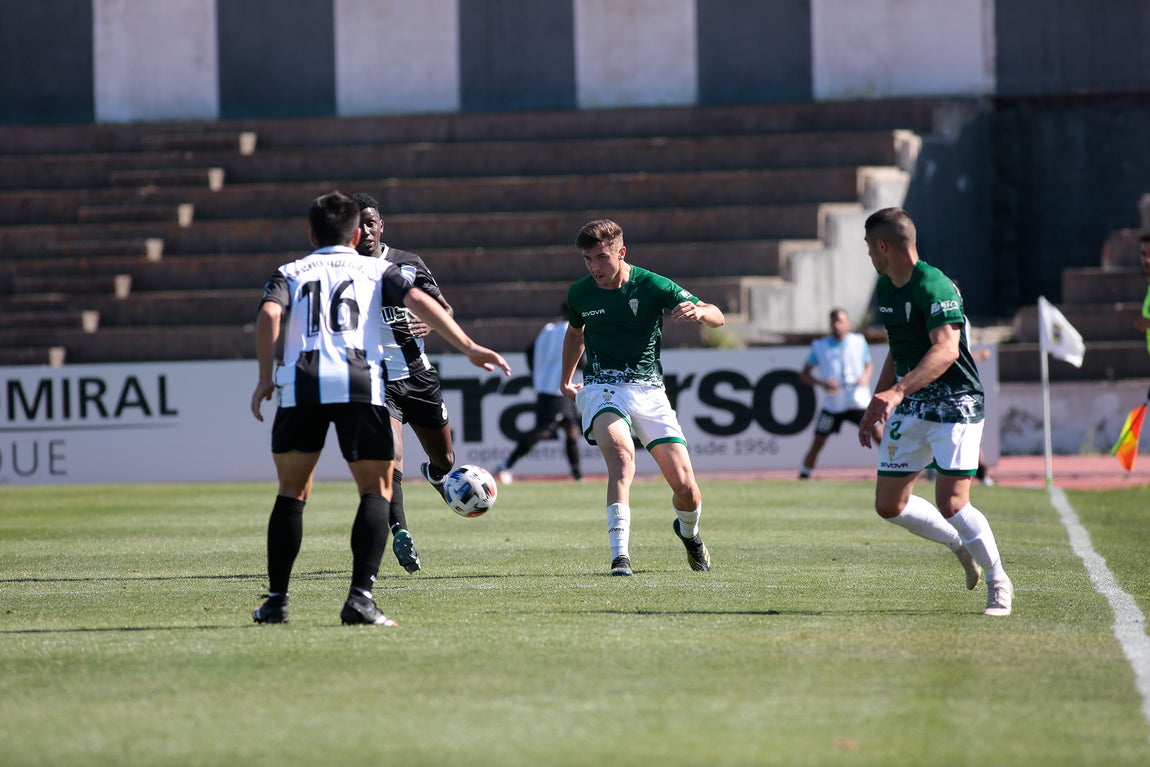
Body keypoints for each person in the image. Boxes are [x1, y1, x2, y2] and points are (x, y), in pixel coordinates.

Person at [249, 191, 510, 626]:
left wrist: (263, 377)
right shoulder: (375, 269)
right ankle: (360, 599)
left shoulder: (290, 271)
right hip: (358, 380)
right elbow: (423, 303)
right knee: (375, 489)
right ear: (355, 234)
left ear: (311, 233)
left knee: (292, 493)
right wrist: (468, 347)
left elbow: (269, 317)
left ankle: (277, 601)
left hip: (302, 383)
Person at [857, 207, 1013, 616]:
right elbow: (898, 347)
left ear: (884, 246)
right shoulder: (887, 287)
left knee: (953, 502)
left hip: (957, 404)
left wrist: (895, 393)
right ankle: (958, 544)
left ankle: (999, 581)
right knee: (889, 505)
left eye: (870, 247)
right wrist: (878, 399)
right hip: (912, 403)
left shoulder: (934, 285)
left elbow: (945, 349)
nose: (869, 256)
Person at [559, 219, 725, 577]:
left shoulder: (652, 285)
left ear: (621, 252)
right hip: (602, 386)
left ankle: (689, 532)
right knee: (621, 456)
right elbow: (576, 334)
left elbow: (718, 315)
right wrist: (565, 379)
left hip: (649, 390)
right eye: (588, 259)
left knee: (687, 490)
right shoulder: (580, 293)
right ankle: (621, 557)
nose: (594, 267)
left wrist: (699, 312)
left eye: (601, 257)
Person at [353, 192, 459, 574]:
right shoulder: (343, 270)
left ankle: (434, 476)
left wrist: (432, 321)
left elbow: (443, 308)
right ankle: (400, 531)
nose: (364, 230)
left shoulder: (408, 264)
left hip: (418, 374)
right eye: (356, 224)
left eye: (369, 222)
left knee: (445, 461)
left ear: (381, 226)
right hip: (375, 380)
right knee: (391, 454)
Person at [493, 305, 583, 484]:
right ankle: (505, 465)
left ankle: (577, 476)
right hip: (558, 389)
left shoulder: (548, 330)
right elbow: (582, 358)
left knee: (571, 430)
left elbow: (529, 352)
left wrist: (539, 373)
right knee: (544, 430)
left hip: (548, 386)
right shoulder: (574, 331)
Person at [798, 308, 879, 479]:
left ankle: (896, 468)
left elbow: (868, 365)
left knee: (878, 433)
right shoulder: (820, 346)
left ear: (848, 323)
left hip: (858, 399)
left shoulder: (858, 341)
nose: (837, 325)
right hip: (834, 403)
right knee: (818, 440)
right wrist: (822, 383)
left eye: (840, 321)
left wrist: (865, 377)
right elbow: (804, 374)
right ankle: (804, 475)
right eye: (834, 321)